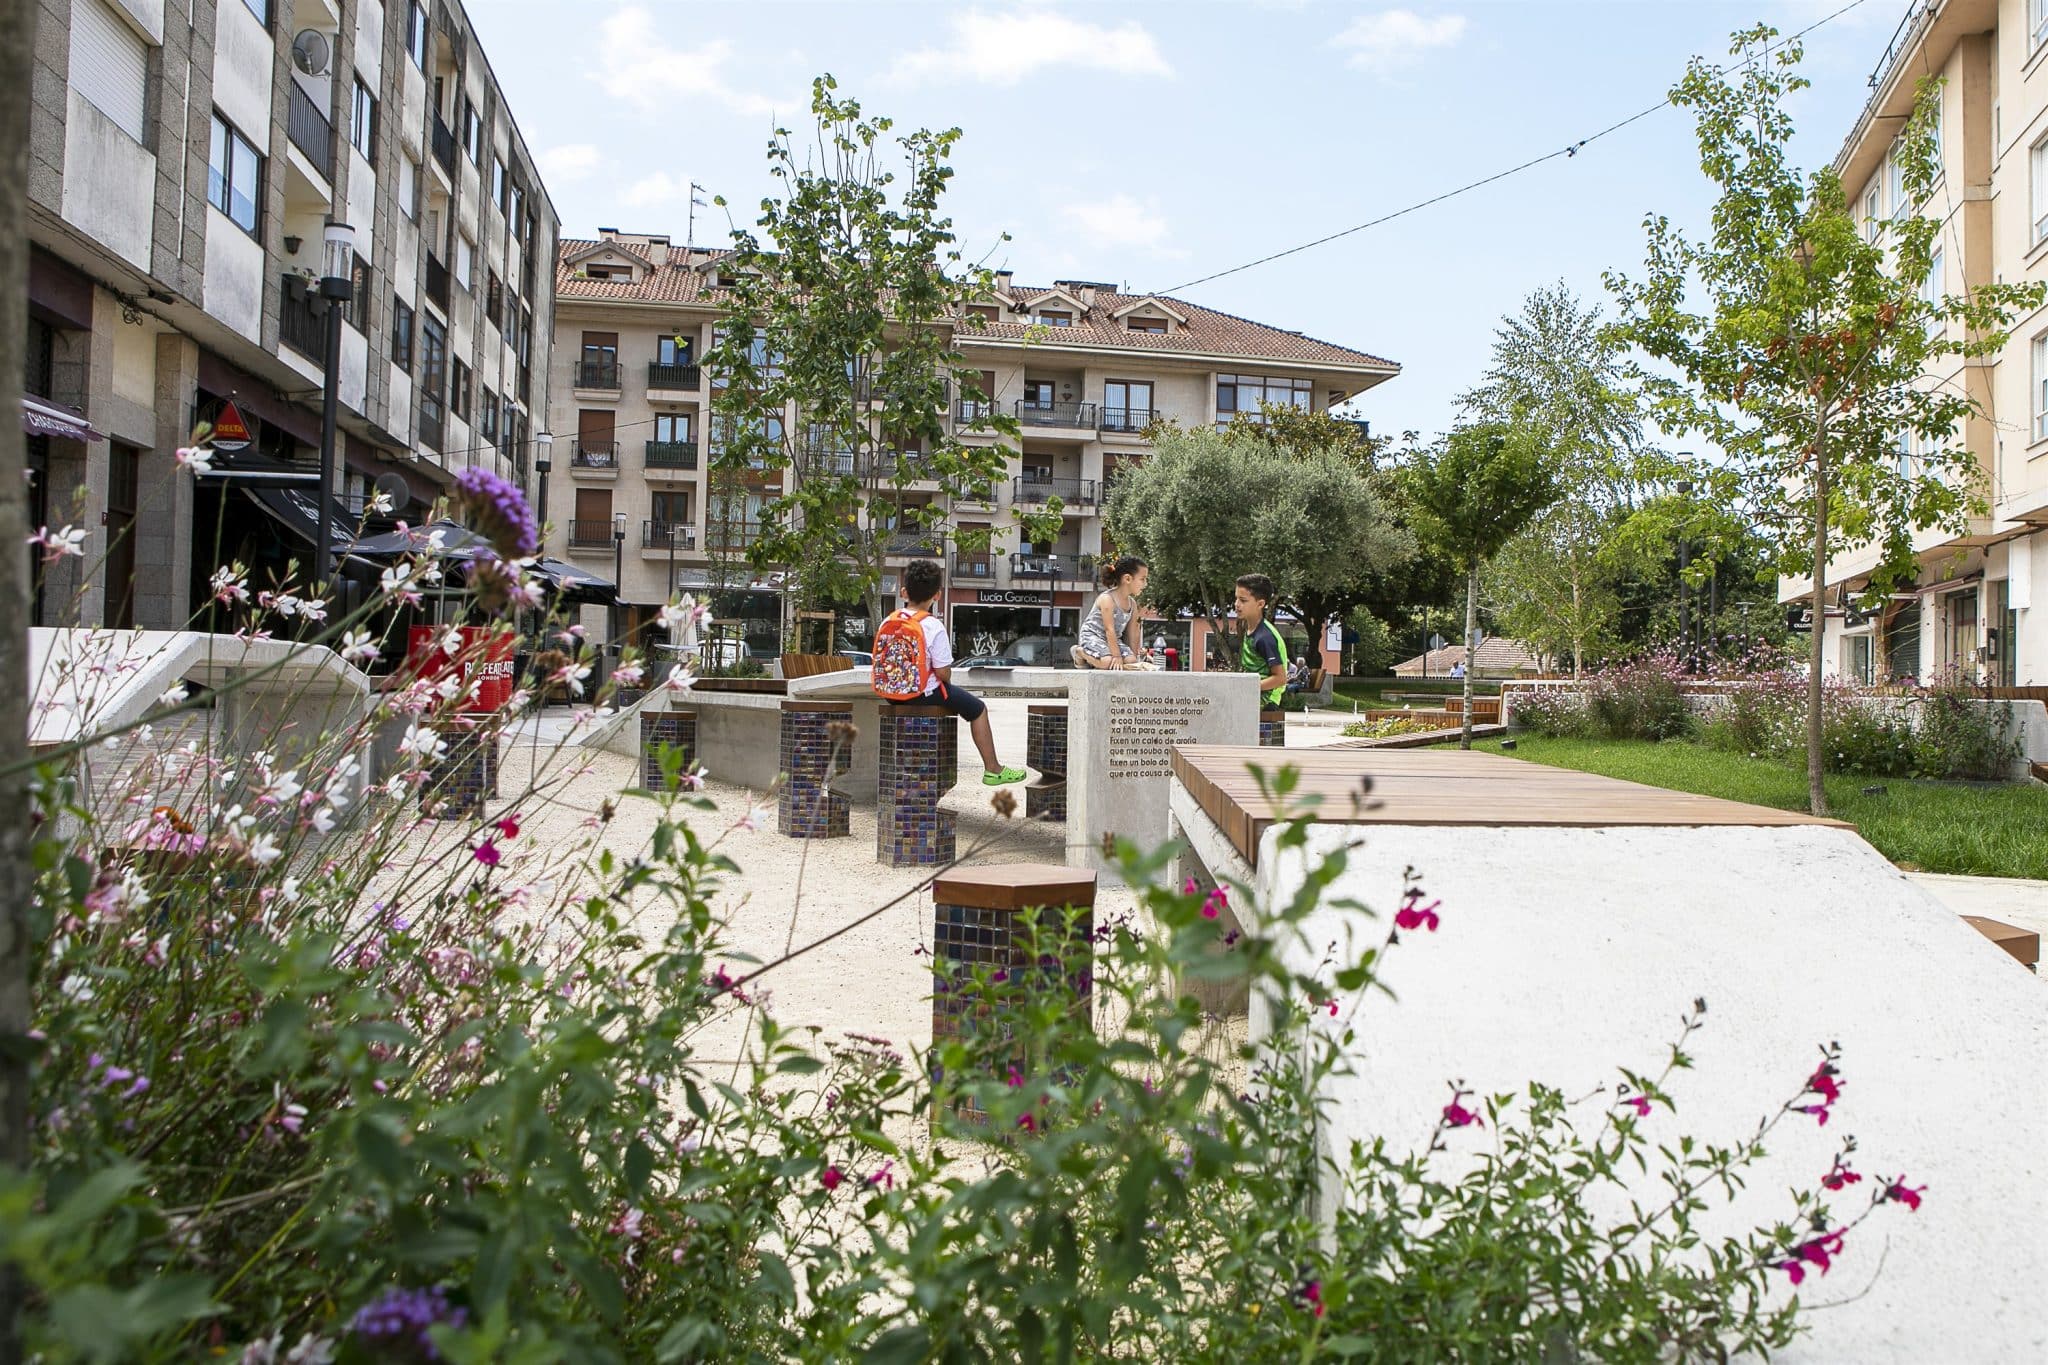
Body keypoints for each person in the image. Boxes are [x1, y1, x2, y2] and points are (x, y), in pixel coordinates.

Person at [873, 559, 1027, 786]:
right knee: (978, 709)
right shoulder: (933, 625)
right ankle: (993, 769)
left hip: (890, 693)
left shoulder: (889, 620)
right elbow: (944, 673)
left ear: (904, 592)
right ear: (937, 595)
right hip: (920, 694)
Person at [1071, 556, 1156, 670]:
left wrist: (1135, 658)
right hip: (1093, 636)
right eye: (1142, 579)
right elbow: (1109, 629)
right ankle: (1079, 652)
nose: (1145, 584)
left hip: (1112, 640)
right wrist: (1116, 656)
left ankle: (1097, 660)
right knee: (1108, 662)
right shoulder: (1107, 599)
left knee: (1130, 661)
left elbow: (1132, 634)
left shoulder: (1132, 604)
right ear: (1127, 579)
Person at [1233, 574, 1290, 707]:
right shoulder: (1250, 629)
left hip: (1266, 704)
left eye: (1243, 600)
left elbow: (1280, 678)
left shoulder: (1264, 637)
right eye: (1236, 599)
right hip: (1253, 701)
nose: (1237, 604)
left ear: (1260, 604)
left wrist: (1249, 687)